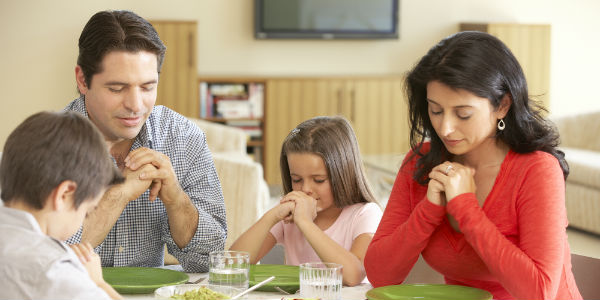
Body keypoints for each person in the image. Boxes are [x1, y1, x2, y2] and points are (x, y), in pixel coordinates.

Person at [364, 31, 582, 300]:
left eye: (463, 114)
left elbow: (539, 292)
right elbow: (380, 274)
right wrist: (429, 210)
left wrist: (466, 208)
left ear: (502, 105)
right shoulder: (420, 162)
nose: (445, 128)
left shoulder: (537, 170)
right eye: (436, 110)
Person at [65, 10, 227, 272]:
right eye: (117, 88)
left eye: (147, 87)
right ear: (83, 80)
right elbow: (40, 266)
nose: (135, 105)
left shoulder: (183, 137)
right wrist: (118, 195)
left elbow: (208, 261)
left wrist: (176, 199)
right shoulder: (42, 146)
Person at [230, 116, 382, 286]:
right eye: (296, 179)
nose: (305, 189)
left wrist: (305, 223)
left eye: (318, 180)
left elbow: (353, 275)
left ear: (343, 173)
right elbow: (232, 264)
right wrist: (270, 217)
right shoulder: (290, 212)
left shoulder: (365, 214)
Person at [0, 111, 124, 299]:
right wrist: (97, 283)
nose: (83, 219)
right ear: (64, 194)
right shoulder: (55, 271)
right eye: (87, 212)